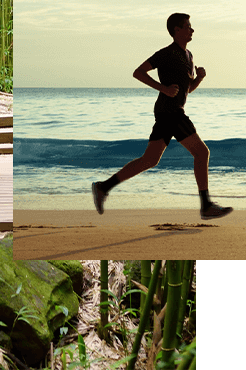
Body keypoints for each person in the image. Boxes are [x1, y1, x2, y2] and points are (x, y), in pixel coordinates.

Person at [92, 13, 233, 220]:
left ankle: (104, 187)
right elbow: (138, 72)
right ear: (177, 30)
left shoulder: (189, 56)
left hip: (169, 111)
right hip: (170, 111)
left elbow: (187, 90)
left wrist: (199, 79)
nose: (192, 30)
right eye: (188, 26)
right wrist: (163, 89)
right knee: (202, 153)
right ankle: (205, 206)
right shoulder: (166, 53)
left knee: (150, 159)